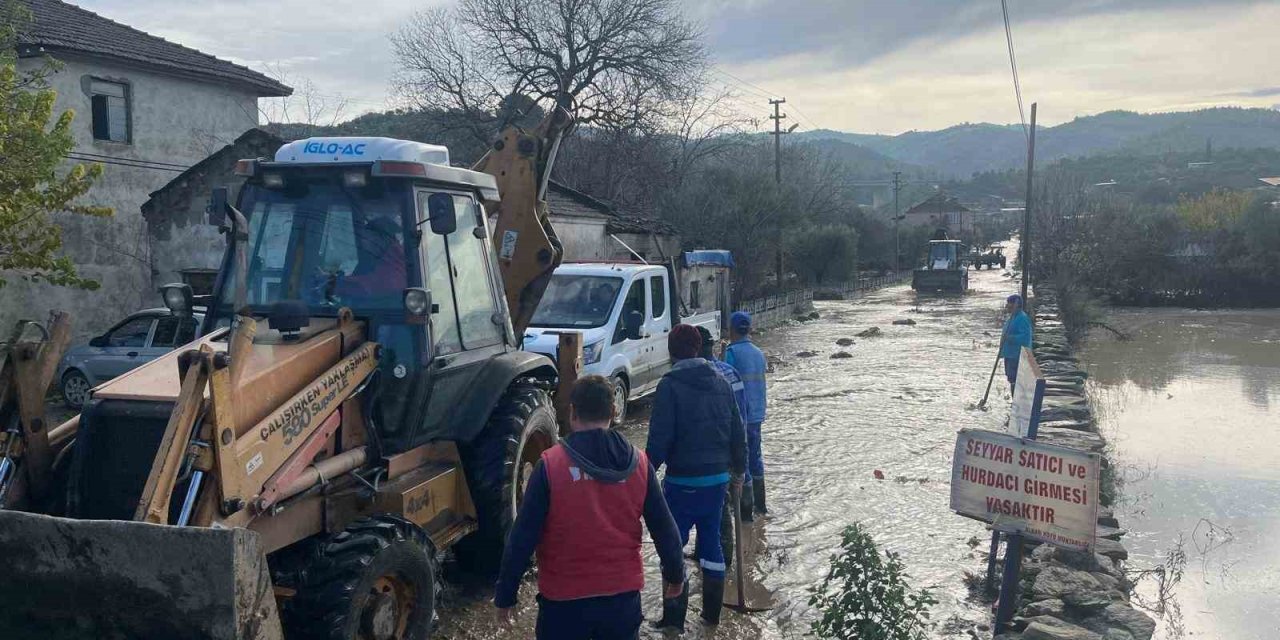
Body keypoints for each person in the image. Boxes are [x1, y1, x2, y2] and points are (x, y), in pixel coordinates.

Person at [493, 375, 686, 640]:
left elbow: (522, 537)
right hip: (622, 600)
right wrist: (676, 575)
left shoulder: (550, 466)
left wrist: (506, 594)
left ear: (572, 412)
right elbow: (664, 528)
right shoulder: (640, 465)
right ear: (614, 411)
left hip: (563, 604)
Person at [647, 324, 747, 629]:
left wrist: (643, 473)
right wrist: (740, 471)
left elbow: (659, 440)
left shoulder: (669, 385)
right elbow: (737, 432)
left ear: (671, 351)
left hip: (682, 484)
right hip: (717, 481)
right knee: (712, 544)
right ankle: (711, 618)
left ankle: (673, 621)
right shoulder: (721, 382)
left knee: (672, 548)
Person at [696, 325, 756, 522]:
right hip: (734, 450)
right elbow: (742, 414)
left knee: (715, 518)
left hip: (708, 458)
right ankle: (750, 530)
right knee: (732, 515)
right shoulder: (730, 373)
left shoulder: (690, 377)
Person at [724, 311, 769, 517]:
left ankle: (746, 511)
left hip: (740, 416)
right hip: (757, 413)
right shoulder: (759, 353)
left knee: (742, 458)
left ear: (732, 330)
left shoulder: (731, 353)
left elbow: (726, 383)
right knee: (756, 456)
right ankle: (761, 506)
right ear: (749, 329)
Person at [1002, 294, 1033, 391]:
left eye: (1010, 304)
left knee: (1014, 379)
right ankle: (1013, 400)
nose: (1007, 306)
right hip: (1009, 353)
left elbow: (1025, 338)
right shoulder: (1012, 317)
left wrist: (1010, 338)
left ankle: (1015, 401)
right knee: (1011, 378)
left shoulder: (1022, 318)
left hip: (1016, 355)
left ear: (1016, 305)